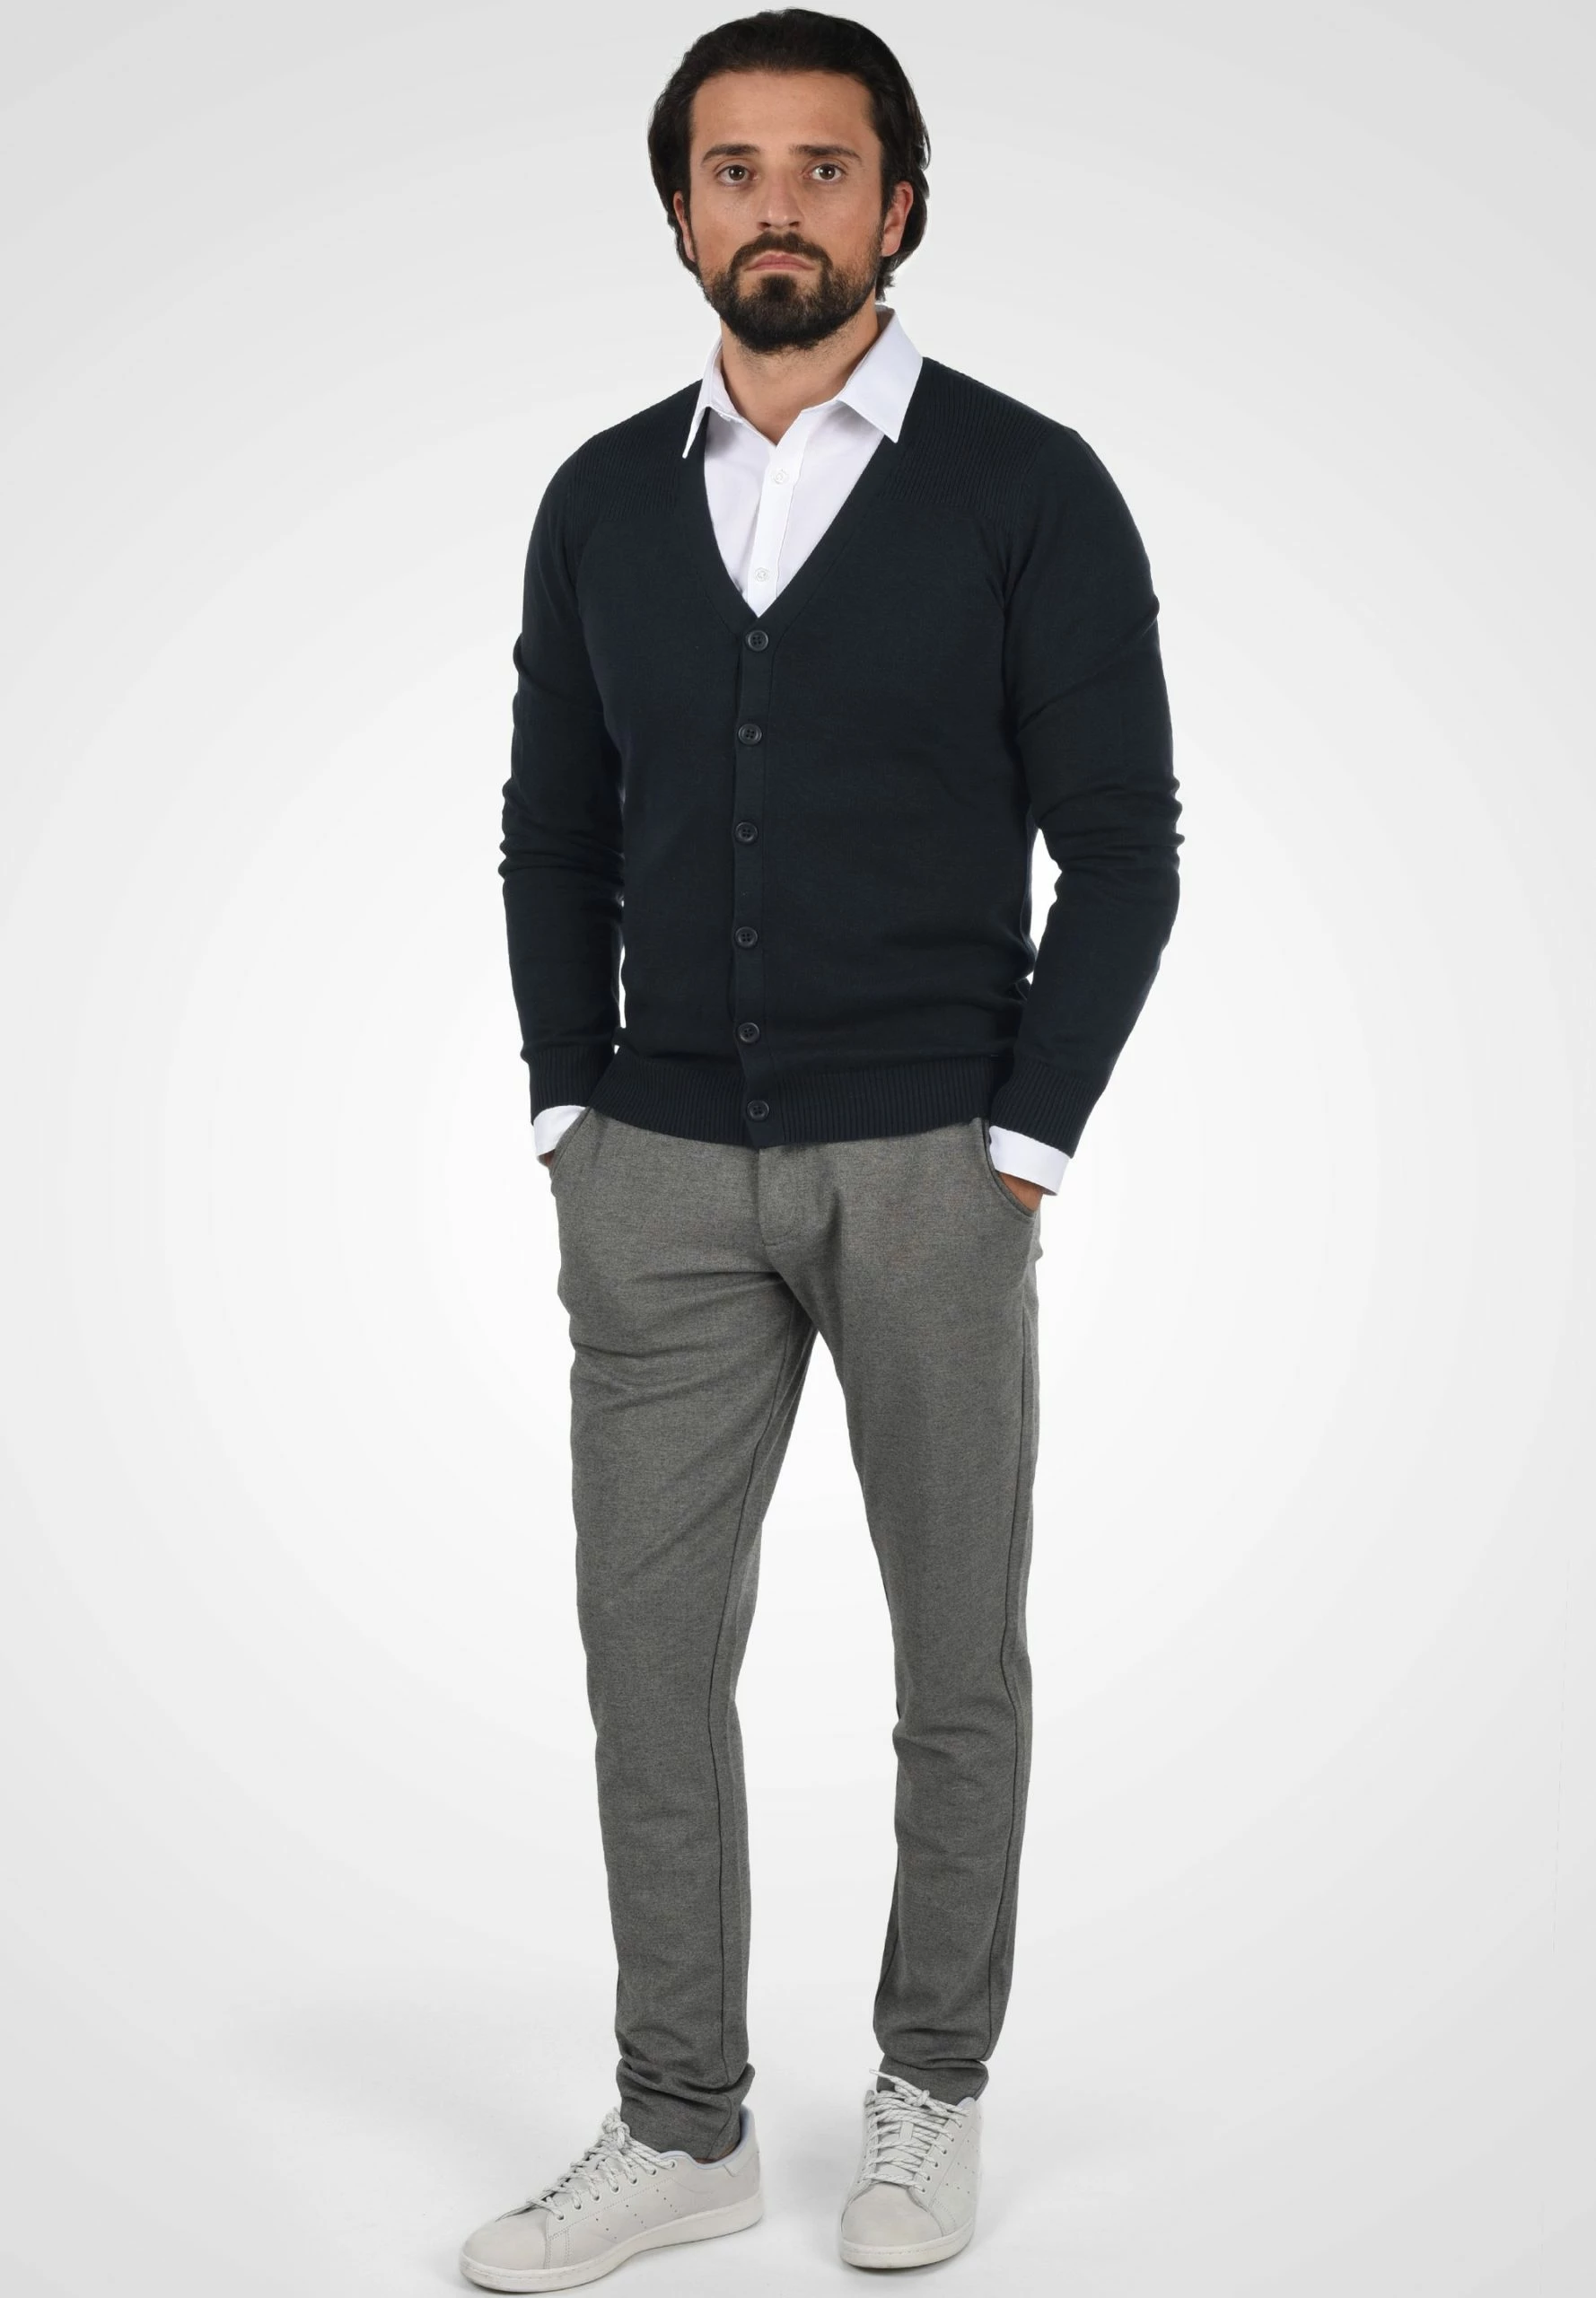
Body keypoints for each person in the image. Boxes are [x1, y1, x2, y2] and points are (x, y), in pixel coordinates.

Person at [459, 9, 1182, 2287]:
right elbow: (551, 829)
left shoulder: (1027, 486)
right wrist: (568, 1105)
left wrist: (1020, 1138)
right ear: (680, 211)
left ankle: (930, 2083)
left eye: (822, 166)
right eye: (731, 168)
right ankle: (679, 2118)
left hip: (932, 1166)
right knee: (646, 1656)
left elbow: (1123, 848)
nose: (775, 205)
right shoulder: (599, 496)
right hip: (656, 1174)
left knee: (953, 1654)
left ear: (901, 203)